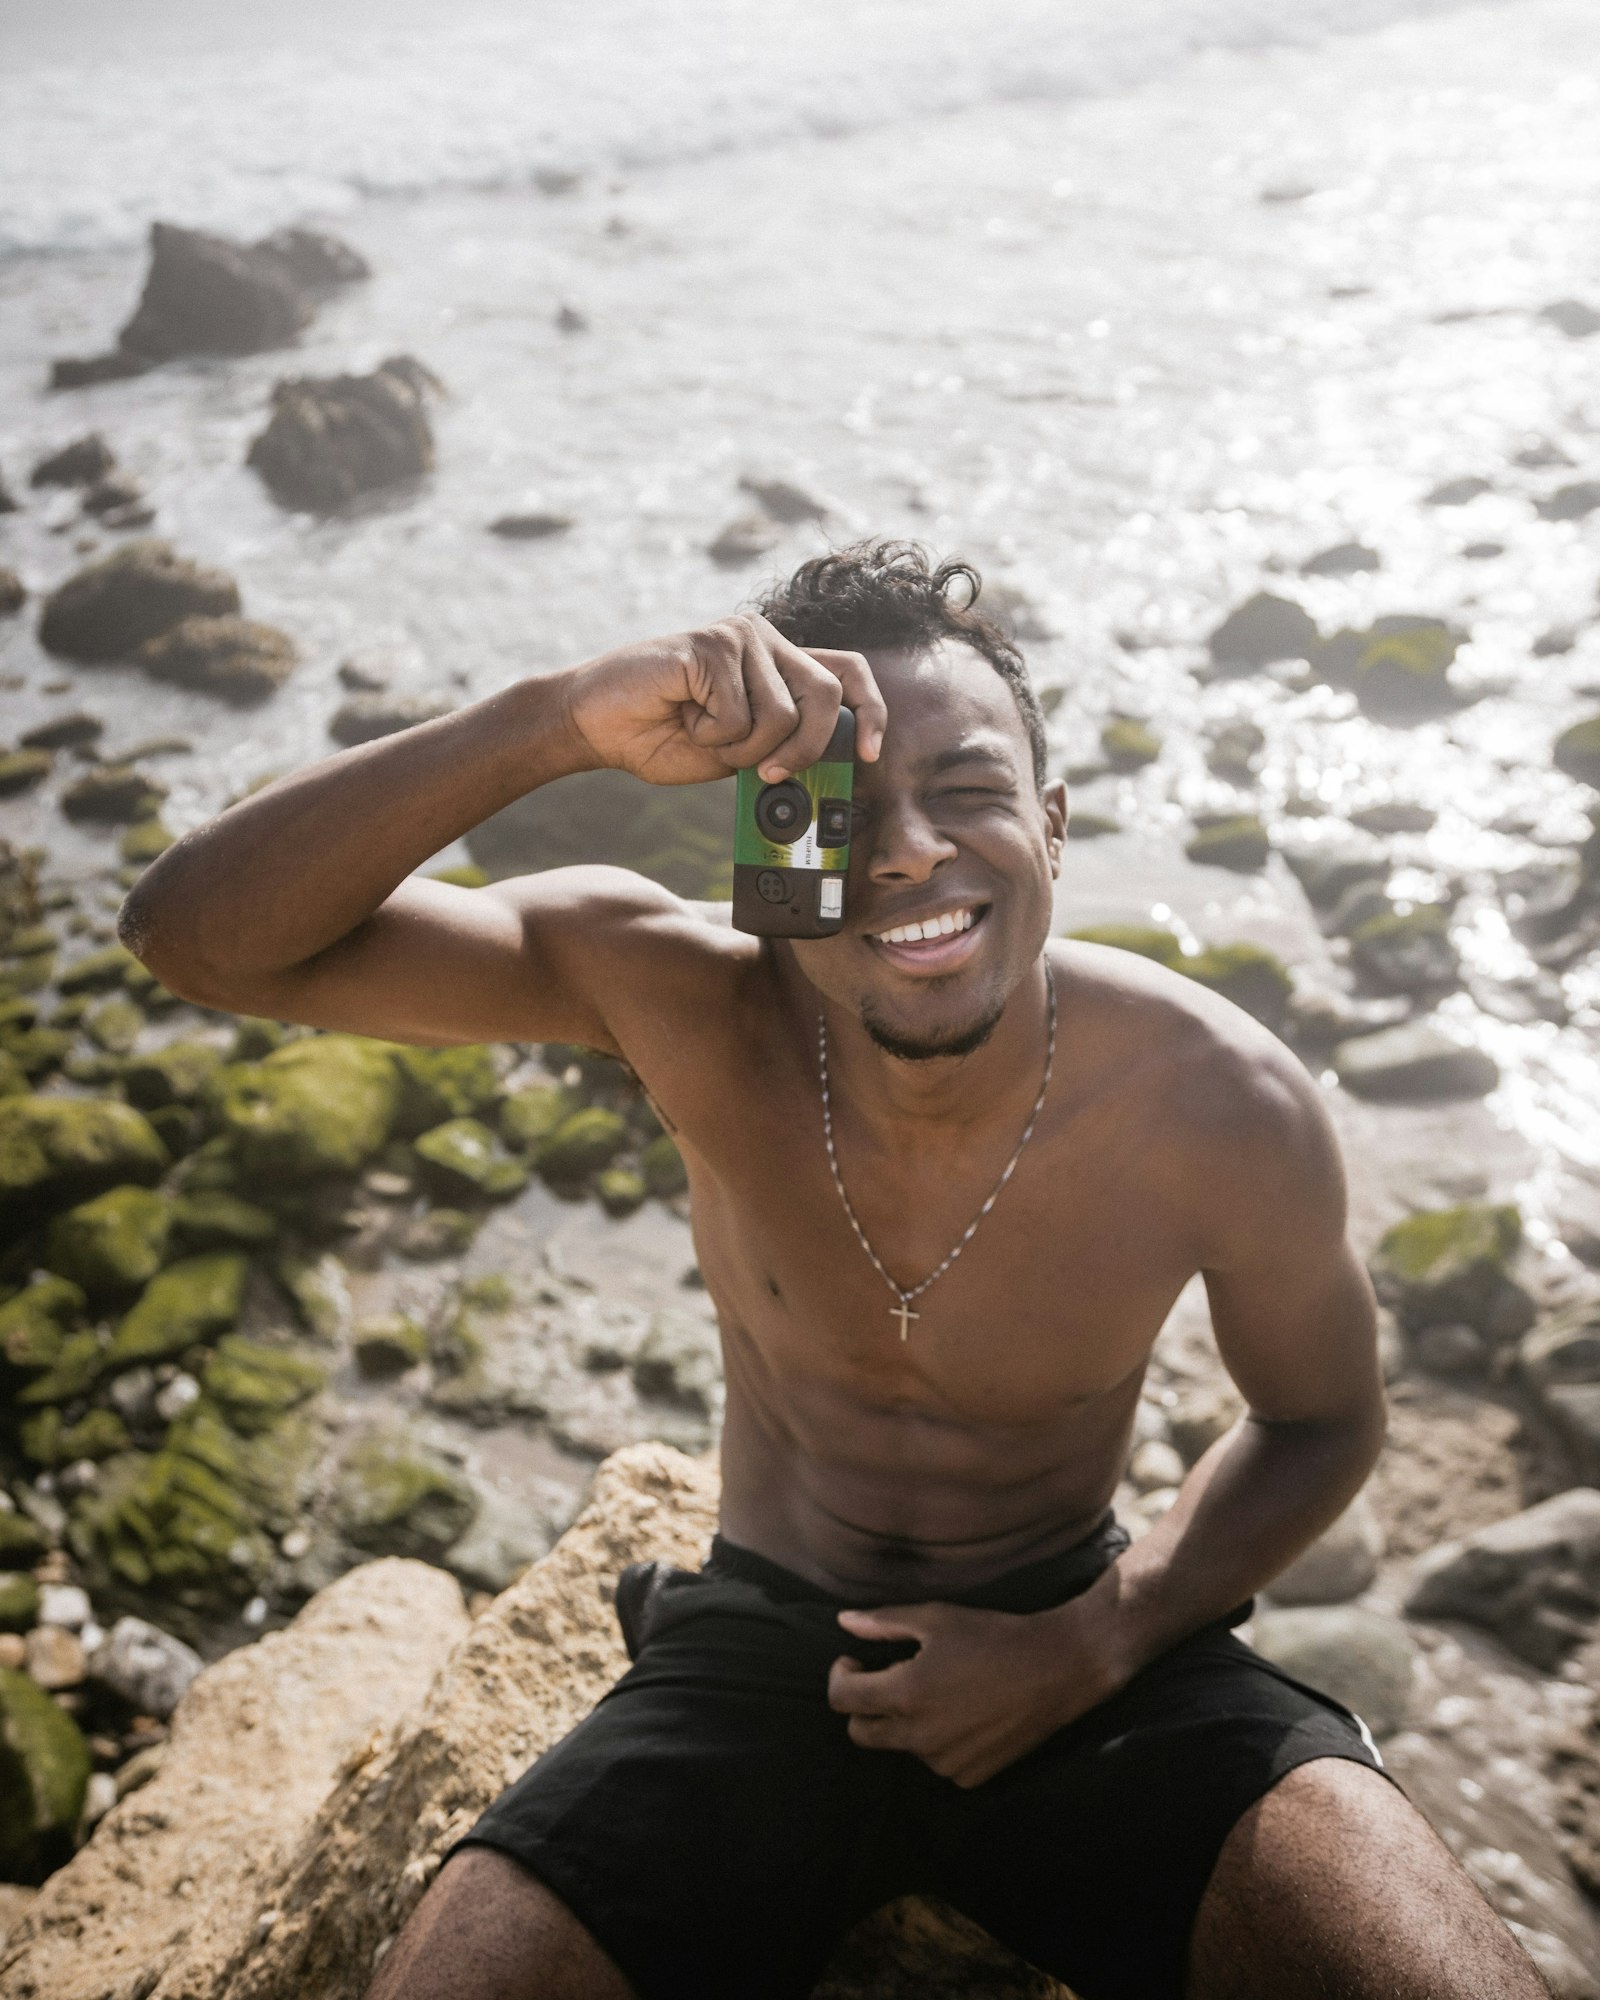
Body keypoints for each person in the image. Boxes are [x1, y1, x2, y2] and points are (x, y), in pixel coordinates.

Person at [121, 542, 1548, 2000]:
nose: (910, 849)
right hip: (753, 1656)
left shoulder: (1219, 1102)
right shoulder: (679, 1000)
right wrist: (551, 720)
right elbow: (197, 938)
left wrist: (1099, 1641)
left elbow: (1323, 1416)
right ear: (769, 854)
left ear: (1053, 829)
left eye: (970, 792)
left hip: (1079, 1642)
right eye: (840, 809)